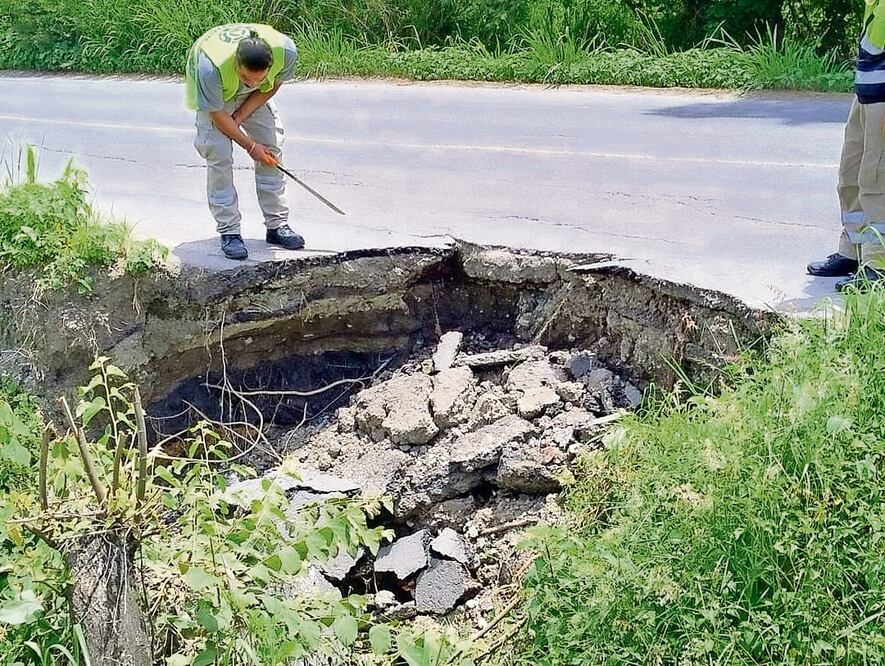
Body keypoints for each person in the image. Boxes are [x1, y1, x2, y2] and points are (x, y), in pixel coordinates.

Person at [186, 24, 304, 260]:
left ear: (269, 66)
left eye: (257, 79)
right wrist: (250, 146)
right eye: (245, 78)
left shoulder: (286, 52)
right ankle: (229, 232)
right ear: (236, 65)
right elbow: (217, 114)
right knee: (219, 157)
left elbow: (271, 87)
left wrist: (240, 116)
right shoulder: (210, 68)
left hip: (250, 101)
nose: (250, 83)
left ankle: (277, 225)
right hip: (217, 100)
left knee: (270, 148)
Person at [808, 1, 885, 290]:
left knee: (876, 180)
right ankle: (853, 251)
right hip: (868, 91)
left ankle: (878, 265)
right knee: (849, 175)